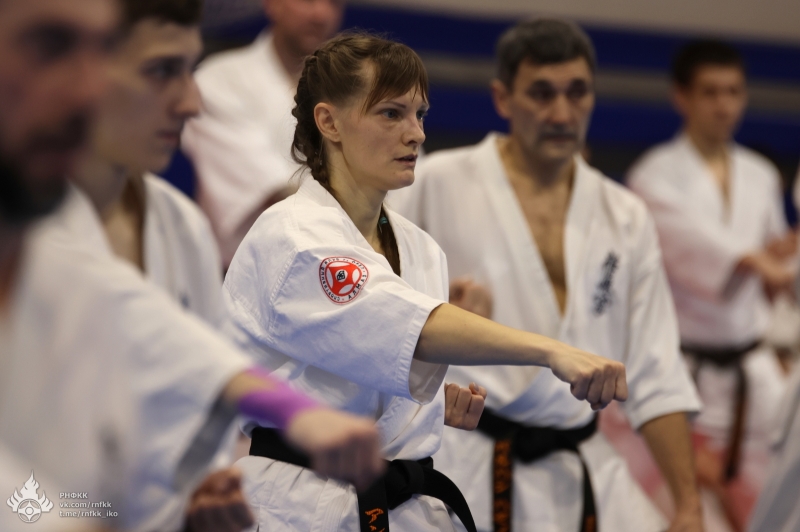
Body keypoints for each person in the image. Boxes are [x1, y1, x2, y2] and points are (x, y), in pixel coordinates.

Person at [0, 1, 385, 530]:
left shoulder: (179, 227)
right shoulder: (43, 239)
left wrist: (193, 503)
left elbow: (179, 355)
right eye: (52, 46)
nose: (191, 102)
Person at [223, 32, 628, 532]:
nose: (415, 133)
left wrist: (427, 407)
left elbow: (366, 356)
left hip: (405, 505)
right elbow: (414, 328)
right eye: (391, 113)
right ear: (329, 122)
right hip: (301, 506)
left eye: (420, 114)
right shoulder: (295, 235)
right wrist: (551, 350)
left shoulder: (419, 248)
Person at [396, 18, 702, 532]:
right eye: (541, 93)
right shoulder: (436, 182)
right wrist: (436, 309)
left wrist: (688, 505)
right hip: (467, 459)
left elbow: (657, 372)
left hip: (581, 466)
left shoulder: (624, 214)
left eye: (576, 92)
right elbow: (378, 318)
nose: (561, 113)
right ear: (503, 98)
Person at [628, 40, 794, 532]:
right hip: (685, 370)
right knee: (684, 509)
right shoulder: (653, 175)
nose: (724, 105)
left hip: (753, 369)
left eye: (734, 92)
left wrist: (779, 257)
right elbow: (696, 246)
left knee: (772, 502)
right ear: (681, 96)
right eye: (710, 92)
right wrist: (752, 259)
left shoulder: (760, 174)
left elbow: (773, 269)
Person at [182, 0, 345, 267]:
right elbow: (275, 193)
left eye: (334, 3)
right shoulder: (219, 80)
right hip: (245, 275)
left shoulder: (354, 88)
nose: (321, 14)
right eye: (307, 1)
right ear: (272, 4)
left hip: (347, 271)